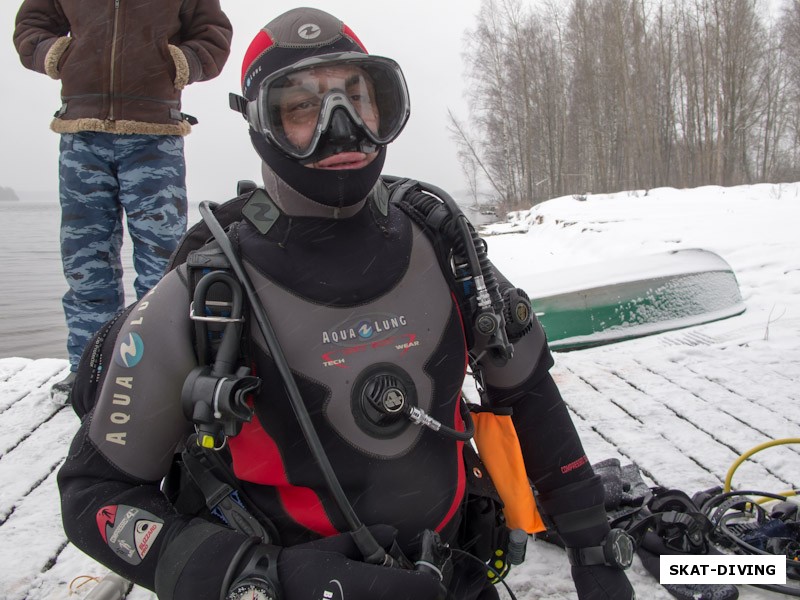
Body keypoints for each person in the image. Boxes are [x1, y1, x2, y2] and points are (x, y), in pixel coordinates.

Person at [57, 8, 637, 600]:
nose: (342, 128)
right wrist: (258, 577)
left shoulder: (442, 245)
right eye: (303, 107)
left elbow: (529, 392)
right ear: (260, 124)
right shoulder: (210, 290)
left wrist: (593, 547)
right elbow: (93, 496)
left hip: (454, 577)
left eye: (357, 97)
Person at [13, 0, 233, 400]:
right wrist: (60, 55)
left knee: (164, 265)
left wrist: (177, 63)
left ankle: (160, 373)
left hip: (156, 135)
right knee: (84, 262)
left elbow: (214, 37)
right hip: (81, 134)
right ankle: (87, 371)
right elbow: (31, 25)